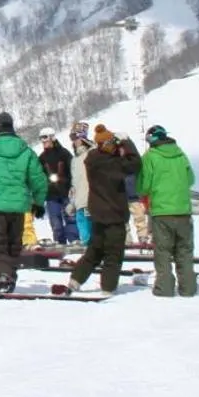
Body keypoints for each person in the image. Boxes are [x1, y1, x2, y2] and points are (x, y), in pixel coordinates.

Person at [0, 112, 49, 293]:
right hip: (18, 205)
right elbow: (38, 179)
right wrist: (38, 201)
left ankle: (1, 277)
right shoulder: (25, 150)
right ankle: (9, 277)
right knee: (13, 244)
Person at [60, 126, 141, 296]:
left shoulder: (92, 159)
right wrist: (127, 142)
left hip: (97, 214)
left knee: (94, 251)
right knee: (113, 254)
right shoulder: (113, 163)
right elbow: (135, 163)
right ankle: (108, 287)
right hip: (115, 215)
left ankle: (76, 279)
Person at [138, 125, 197, 296]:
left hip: (162, 212)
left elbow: (144, 185)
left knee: (163, 251)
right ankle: (189, 288)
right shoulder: (181, 154)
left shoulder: (150, 157)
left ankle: (164, 288)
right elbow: (191, 179)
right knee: (184, 250)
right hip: (183, 211)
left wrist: (144, 192)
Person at [38, 131, 75, 246]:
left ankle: (75, 241)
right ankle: (60, 243)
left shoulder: (64, 153)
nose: (43, 141)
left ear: (52, 138)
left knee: (71, 219)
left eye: (45, 138)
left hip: (65, 192)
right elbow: (39, 176)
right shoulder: (42, 157)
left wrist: (70, 184)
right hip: (51, 195)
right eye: (41, 139)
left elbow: (73, 170)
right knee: (56, 222)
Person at [68, 125, 93, 245]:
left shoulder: (92, 153)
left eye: (75, 137)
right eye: (71, 138)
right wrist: (72, 202)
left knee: (94, 234)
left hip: (92, 201)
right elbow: (74, 184)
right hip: (79, 204)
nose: (73, 141)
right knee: (85, 236)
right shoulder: (74, 160)